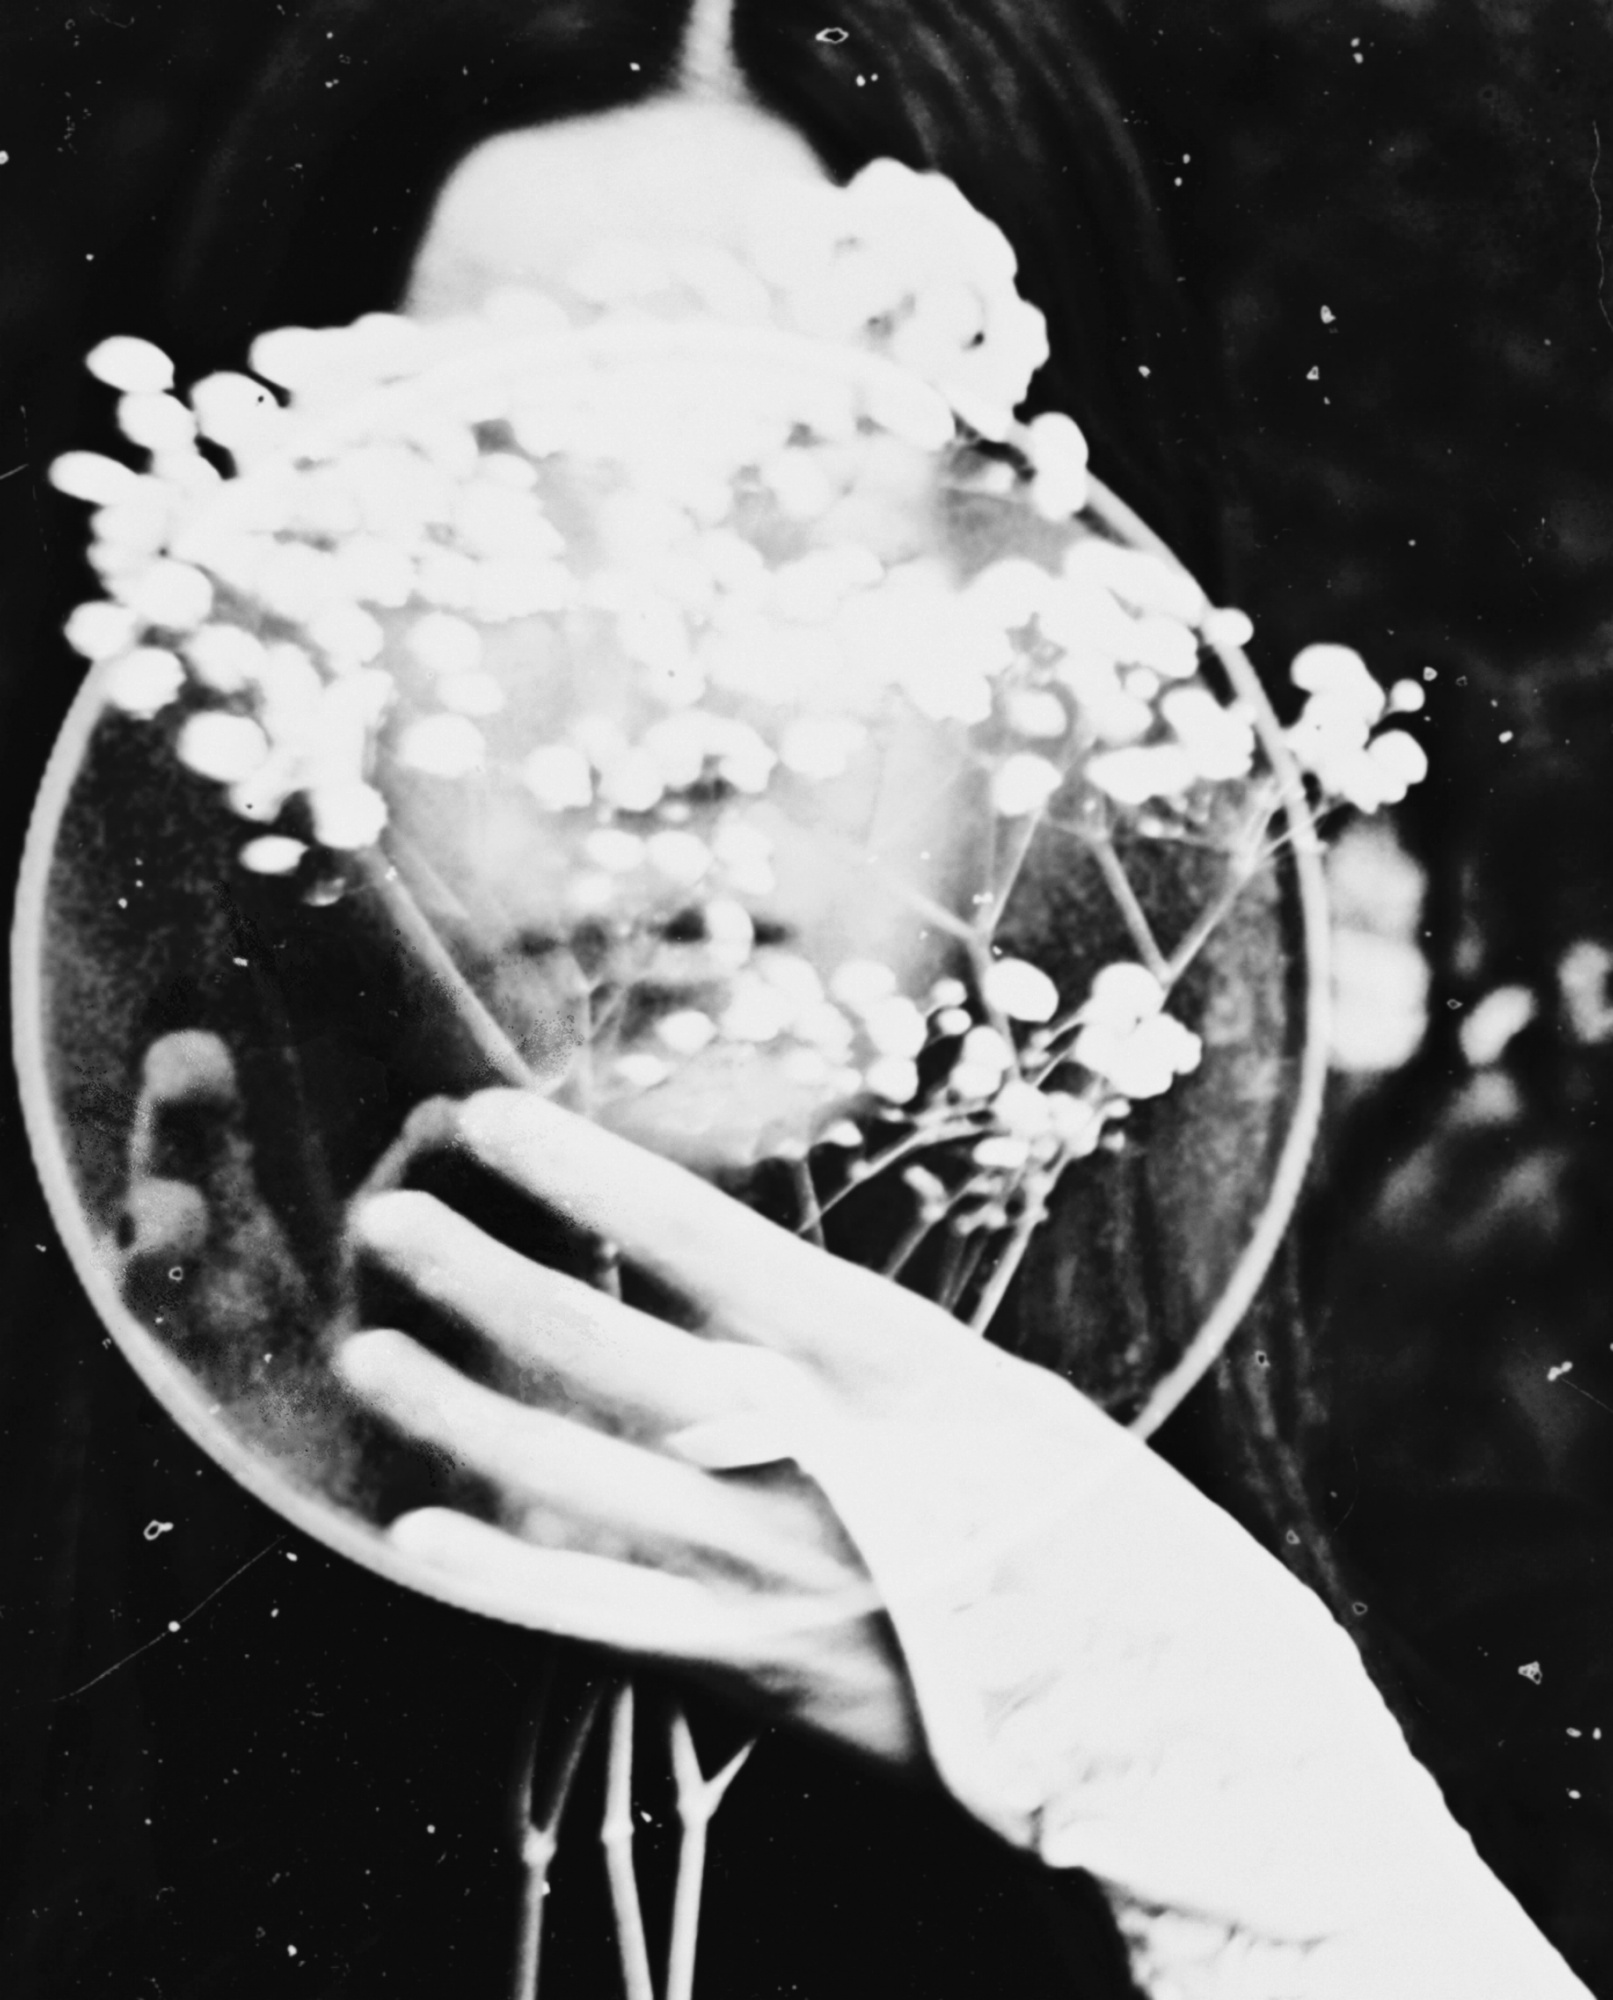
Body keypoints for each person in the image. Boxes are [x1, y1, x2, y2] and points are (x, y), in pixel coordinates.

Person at [4, 3, 1594, 1996]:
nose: (662, 722)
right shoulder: (68, 1700)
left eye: (804, 494)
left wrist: (1262, 1855)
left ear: (1075, 636)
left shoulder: (1521, 1707)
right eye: (486, 508)